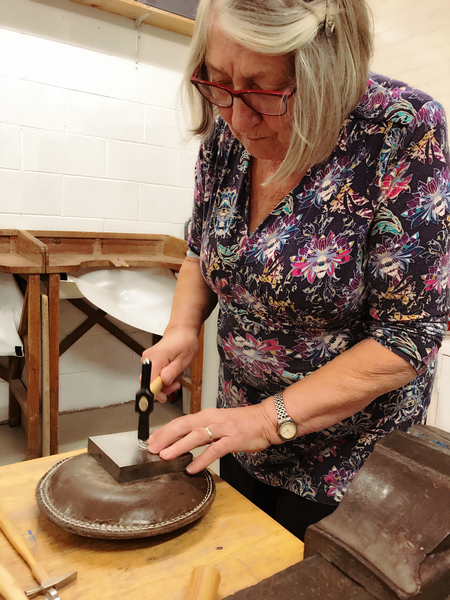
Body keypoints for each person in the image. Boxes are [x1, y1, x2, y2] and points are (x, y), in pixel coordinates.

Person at [144, 0, 450, 541]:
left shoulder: (400, 131)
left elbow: (408, 336)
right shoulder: (229, 130)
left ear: (328, 78)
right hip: (238, 432)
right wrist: (182, 330)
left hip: (350, 463)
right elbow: (201, 250)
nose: (237, 118)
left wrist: (267, 419)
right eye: (216, 82)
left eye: (263, 91)